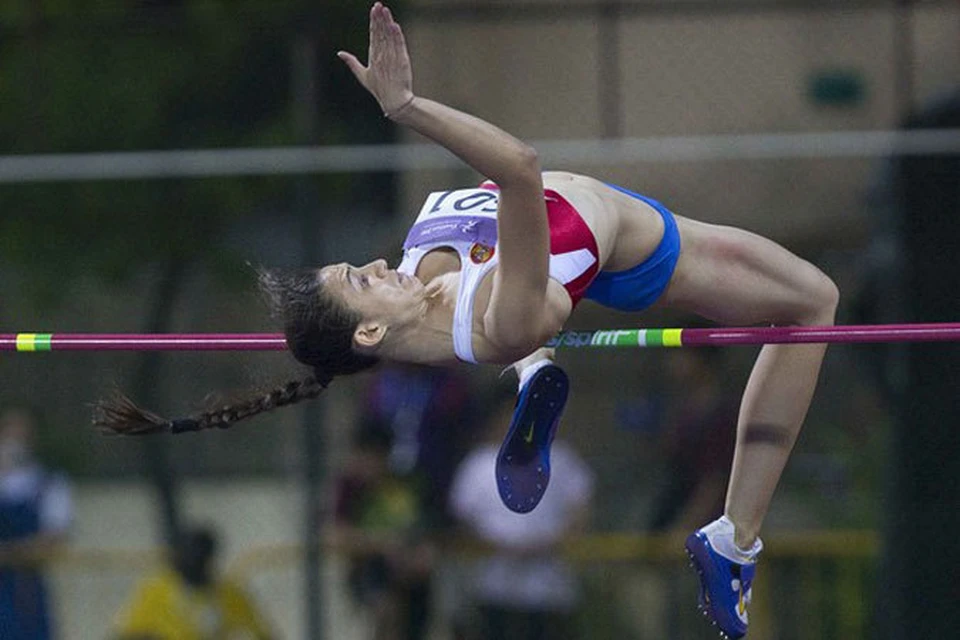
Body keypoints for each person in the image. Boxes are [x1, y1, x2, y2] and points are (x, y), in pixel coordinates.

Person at [96, 4, 839, 637]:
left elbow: (457, 262)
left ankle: (535, 375)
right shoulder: (493, 319)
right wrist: (406, 109)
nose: (376, 264)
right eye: (360, 279)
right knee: (813, 302)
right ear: (367, 333)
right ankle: (734, 536)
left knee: (508, 332)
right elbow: (519, 164)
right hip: (635, 247)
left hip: (543, 270)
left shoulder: (421, 289)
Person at [448, 384, 593, 640]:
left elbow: (580, 513)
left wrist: (546, 545)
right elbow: (462, 521)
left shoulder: (562, 460)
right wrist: (500, 547)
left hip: (550, 591)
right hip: (492, 588)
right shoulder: (478, 464)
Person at [328, 425, 435, 640]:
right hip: (372, 570)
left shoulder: (408, 482)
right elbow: (336, 535)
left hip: (411, 572)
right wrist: (383, 544)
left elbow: (427, 528)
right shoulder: (349, 487)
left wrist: (421, 552)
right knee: (386, 612)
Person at [112, 526, 274, 640]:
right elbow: (128, 633)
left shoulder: (228, 594)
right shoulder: (157, 590)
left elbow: (261, 632)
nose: (193, 561)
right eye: (187, 554)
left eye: (199, 556)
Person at [0, 407, 73, 640]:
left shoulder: (50, 483)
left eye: (23, 433)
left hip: (24, 587)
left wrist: (13, 553)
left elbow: (55, 536)